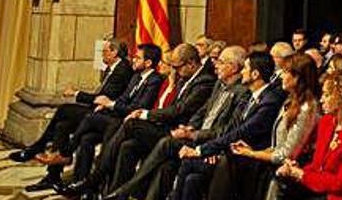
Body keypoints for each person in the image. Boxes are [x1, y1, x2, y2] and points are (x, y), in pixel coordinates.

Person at [60, 43, 217, 198]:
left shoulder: (205, 81)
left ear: (191, 63)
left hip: (176, 132)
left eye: (177, 67)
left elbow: (180, 109)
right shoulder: (185, 77)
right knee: (127, 147)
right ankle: (112, 194)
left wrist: (145, 114)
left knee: (129, 124)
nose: (174, 71)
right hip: (167, 127)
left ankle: (93, 181)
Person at [95, 46, 248, 200]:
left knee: (160, 140)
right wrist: (191, 127)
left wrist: (195, 135)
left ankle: (119, 190)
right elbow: (202, 111)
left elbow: (228, 130)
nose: (215, 64)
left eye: (220, 62)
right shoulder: (219, 85)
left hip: (205, 144)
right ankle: (118, 191)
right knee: (153, 159)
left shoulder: (240, 92)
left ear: (234, 67)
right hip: (191, 136)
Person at [29, 44, 162, 192]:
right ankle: (76, 184)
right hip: (115, 115)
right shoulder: (136, 76)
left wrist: (110, 104)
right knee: (83, 137)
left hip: (126, 122)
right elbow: (123, 99)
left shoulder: (154, 80)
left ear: (148, 63)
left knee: (88, 117)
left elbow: (137, 108)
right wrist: (108, 105)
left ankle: (65, 154)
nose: (133, 60)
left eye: (137, 58)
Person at [10, 38, 132, 191]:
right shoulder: (112, 68)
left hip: (107, 116)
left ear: (114, 52)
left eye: (105, 51)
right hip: (98, 110)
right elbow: (100, 97)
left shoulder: (123, 69)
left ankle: (37, 148)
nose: (102, 55)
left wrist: (75, 93)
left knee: (64, 109)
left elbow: (103, 98)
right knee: (62, 125)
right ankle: (52, 177)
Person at [169, 52, 285, 200]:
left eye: (246, 68)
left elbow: (242, 131)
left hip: (250, 160)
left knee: (189, 162)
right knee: (193, 180)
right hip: (231, 152)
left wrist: (201, 150)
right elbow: (232, 129)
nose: (242, 71)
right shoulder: (253, 95)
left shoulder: (269, 101)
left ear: (255, 74)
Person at [225, 53, 321, 200]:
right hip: (276, 166)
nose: (281, 76)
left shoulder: (307, 108)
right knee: (234, 161)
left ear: (297, 77)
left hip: (292, 172)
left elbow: (287, 154)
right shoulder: (289, 101)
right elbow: (277, 145)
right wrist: (253, 150)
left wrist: (251, 153)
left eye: (285, 72)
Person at [276, 70, 342, 200]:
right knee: (281, 183)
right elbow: (317, 165)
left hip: (339, 196)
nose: (321, 100)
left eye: (327, 95)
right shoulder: (327, 121)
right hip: (320, 189)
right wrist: (295, 170)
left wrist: (302, 175)